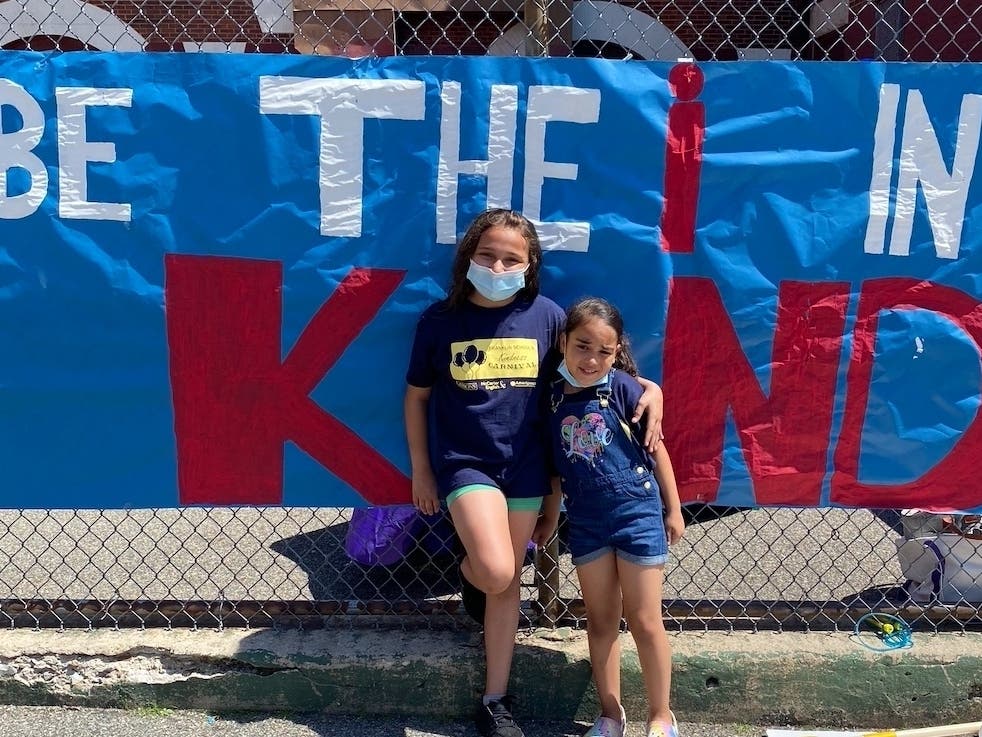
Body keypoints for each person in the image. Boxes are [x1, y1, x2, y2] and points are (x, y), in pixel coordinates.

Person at [404, 209, 663, 737]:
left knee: (507, 586)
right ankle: (468, 572)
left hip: (525, 470)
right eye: (486, 254)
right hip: (467, 466)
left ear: (530, 264)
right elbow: (417, 397)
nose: (497, 265)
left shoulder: (546, 316)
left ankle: (495, 700)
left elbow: (593, 367)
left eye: (511, 258)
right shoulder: (439, 321)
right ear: (468, 257)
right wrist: (421, 472)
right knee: (497, 572)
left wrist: (650, 388)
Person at [541, 296, 684, 737]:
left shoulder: (621, 387)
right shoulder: (548, 400)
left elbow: (656, 448)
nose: (591, 359)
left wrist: (673, 508)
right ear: (564, 341)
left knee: (644, 619)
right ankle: (609, 712)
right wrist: (549, 520)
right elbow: (553, 473)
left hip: (636, 513)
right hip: (585, 521)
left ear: (616, 351)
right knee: (601, 620)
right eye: (582, 346)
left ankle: (660, 715)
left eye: (604, 352)